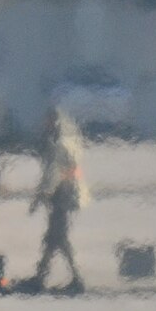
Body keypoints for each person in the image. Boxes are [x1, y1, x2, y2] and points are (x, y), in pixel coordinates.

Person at [30, 108, 90, 293]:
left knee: (57, 239)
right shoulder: (62, 143)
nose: (44, 124)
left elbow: (52, 175)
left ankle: (67, 279)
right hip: (63, 196)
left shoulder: (57, 145)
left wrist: (41, 196)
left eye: (47, 121)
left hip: (61, 197)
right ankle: (41, 276)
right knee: (55, 239)